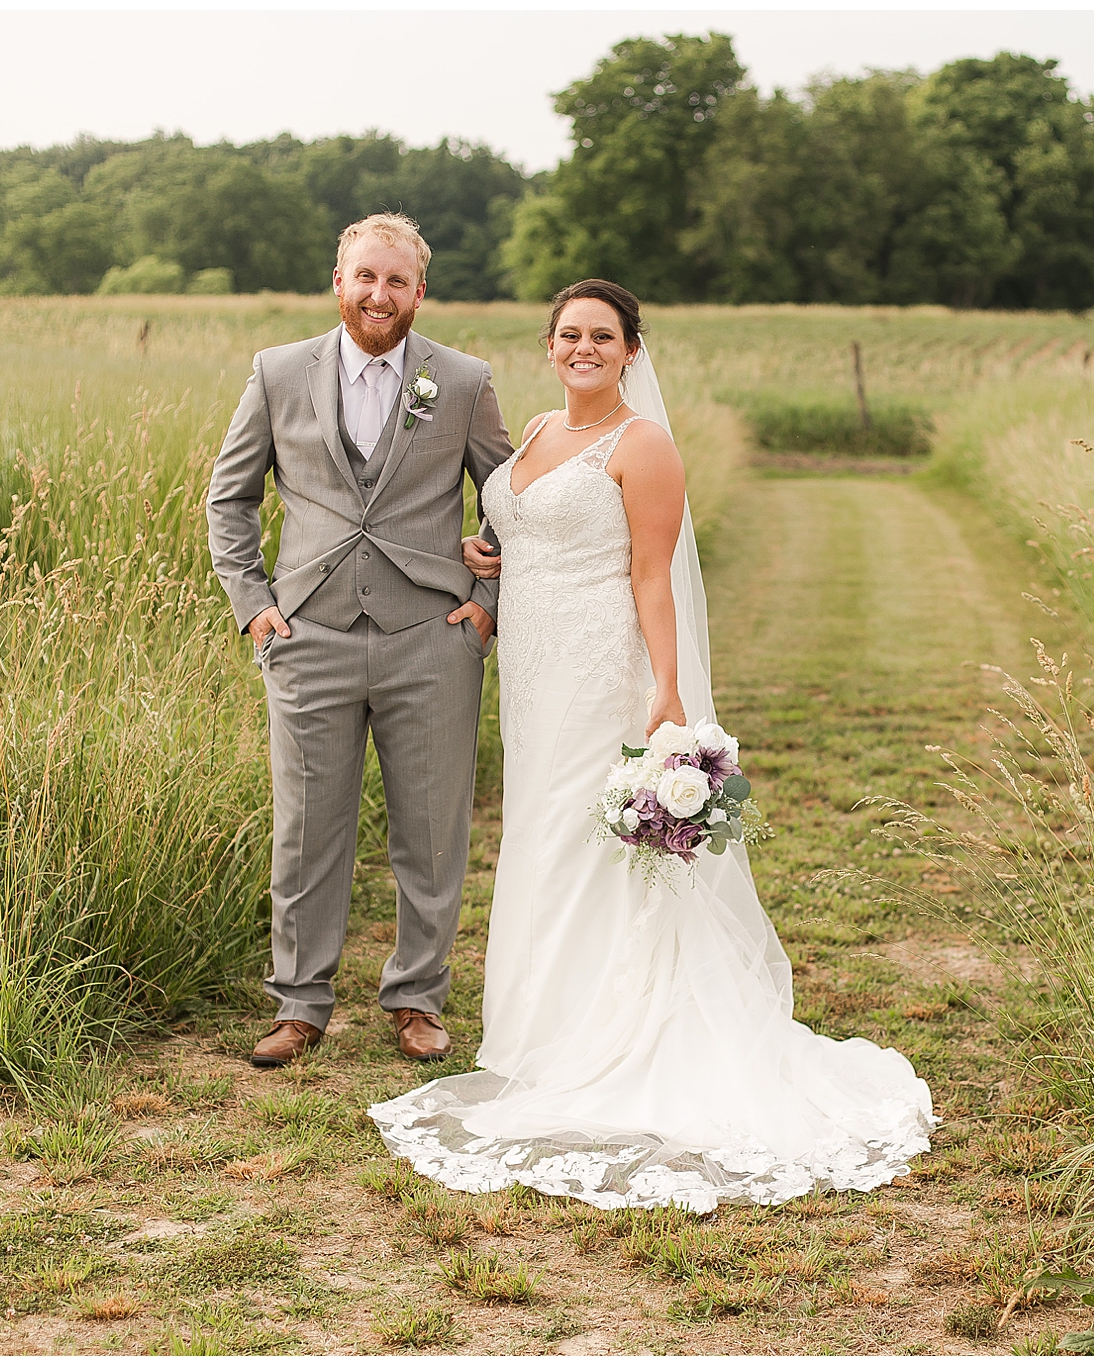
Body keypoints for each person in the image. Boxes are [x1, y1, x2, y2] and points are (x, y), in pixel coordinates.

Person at [369, 280, 935, 1211]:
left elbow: (651, 574)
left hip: (604, 671)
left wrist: (667, 692)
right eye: (569, 334)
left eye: (603, 335)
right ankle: (540, 1034)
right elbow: (524, 529)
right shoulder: (536, 434)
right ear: (549, 345)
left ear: (632, 349)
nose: (583, 348)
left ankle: (611, 1034)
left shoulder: (645, 446)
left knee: (592, 846)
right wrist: (486, 551)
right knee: (541, 840)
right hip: (534, 675)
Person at [206, 213, 511, 1068]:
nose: (380, 294)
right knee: (307, 830)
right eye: (366, 277)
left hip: (433, 638)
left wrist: (487, 599)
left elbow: (511, 496)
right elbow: (229, 498)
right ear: (339, 282)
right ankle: (299, 1004)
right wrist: (253, 603)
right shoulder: (277, 373)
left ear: (420, 291)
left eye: (397, 281)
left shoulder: (462, 380)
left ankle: (417, 998)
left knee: (432, 831)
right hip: (309, 635)